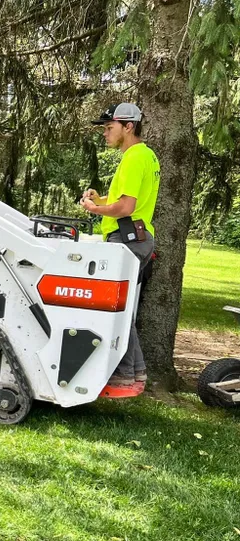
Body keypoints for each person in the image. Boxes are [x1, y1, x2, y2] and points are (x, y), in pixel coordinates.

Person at [80, 102, 160, 389]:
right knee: (121, 308)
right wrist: (101, 200)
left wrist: (93, 209)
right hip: (135, 238)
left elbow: (125, 208)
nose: (105, 133)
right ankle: (133, 372)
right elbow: (128, 204)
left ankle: (124, 373)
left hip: (127, 239)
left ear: (128, 126)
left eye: (108, 127)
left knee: (112, 308)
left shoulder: (134, 158)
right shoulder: (146, 156)